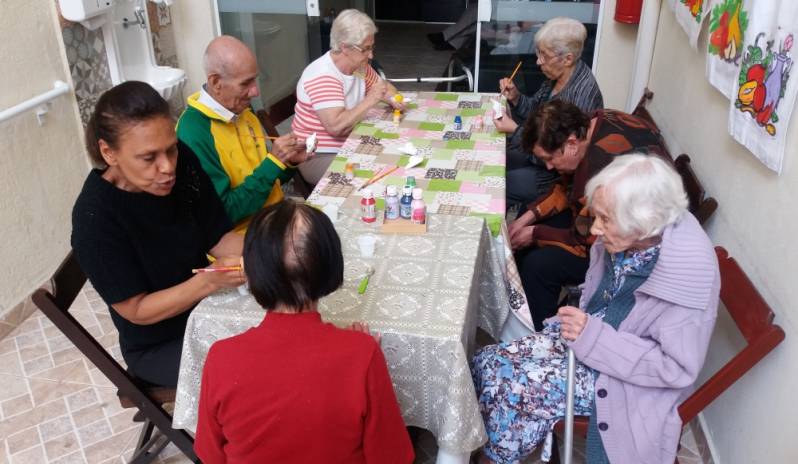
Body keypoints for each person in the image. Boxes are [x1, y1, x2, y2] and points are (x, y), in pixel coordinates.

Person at [473, 154, 720, 464]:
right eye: (598, 216)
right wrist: (585, 329)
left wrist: (594, 335)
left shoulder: (686, 276)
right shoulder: (637, 235)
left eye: (606, 219)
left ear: (644, 223)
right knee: (488, 360)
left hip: (628, 381)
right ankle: (503, 443)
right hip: (597, 341)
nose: (596, 230)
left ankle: (495, 457)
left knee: (512, 386)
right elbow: (603, 295)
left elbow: (673, 369)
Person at [194, 201, 415, 463]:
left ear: (251, 274)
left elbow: (210, 455)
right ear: (332, 268)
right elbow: (392, 456)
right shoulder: (362, 353)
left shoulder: (221, 356)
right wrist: (359, 355)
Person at [72, 81, 246, 387]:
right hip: (160, 344)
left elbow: (218, 238)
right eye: (149, 158)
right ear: (108, 152)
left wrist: (273, 245)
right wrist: (207, 280)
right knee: (259, 366)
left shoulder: (183, 163)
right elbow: (137, 310)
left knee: (290, 326)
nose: (167, 167)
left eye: (171, 149)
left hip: (206, 308)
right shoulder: (95, 218)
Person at [509, 100, 668, 329]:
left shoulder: (600, 169)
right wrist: (529, 218)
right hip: (604, 221)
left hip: (630, 249)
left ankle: (540, 332)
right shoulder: (596, 120)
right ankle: (521, 309)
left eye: (549, 158)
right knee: (529, 217)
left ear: (572, 143)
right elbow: (566, 189)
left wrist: (534, 233)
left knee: (538, 266)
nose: (549, 167)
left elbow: (586, 239)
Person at [177, 36, 310, 231]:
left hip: (275, 219)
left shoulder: (242, 113)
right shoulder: (194, 132)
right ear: (215, 82)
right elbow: (224, 213)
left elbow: (265, 184)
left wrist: (288, 161)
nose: (255, 91)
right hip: (245, 239)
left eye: (254, 79)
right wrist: (274, 161)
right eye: (245, 83)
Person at [495, 17, 604, 209]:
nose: (538, 61)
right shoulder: (557, 76)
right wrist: (517, 98)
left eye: (544, 55)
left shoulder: (579, 97)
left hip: (554, 175)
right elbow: (538, 114)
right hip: (538, 156)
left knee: (499, 184)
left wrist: (515, 131)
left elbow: (554, 154)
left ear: (568, 58)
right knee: (495, 161)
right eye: (538, 53)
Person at [292, 9, 403, 185]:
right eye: (366, 49)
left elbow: (384, 88)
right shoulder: (323, 75)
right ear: (344, 47)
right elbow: (336, 127)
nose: (371, 55)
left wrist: (395, 99)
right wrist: (371, 99)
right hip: (319, 155)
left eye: (372, 47)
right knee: (381, 174)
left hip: (349, 143)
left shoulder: (357, 67)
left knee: (397, 153)